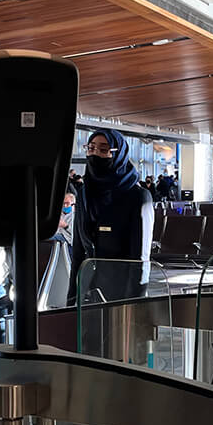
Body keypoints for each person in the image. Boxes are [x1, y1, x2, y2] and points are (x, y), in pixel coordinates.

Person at [67, 128, 154, 304]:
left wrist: (133, 306)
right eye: (91, 148)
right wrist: (71, 298)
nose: (95, 154)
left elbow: (140, 260)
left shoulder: (138, 197)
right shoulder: (85, 193)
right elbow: (78, 252)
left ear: (119, 154)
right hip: (88, 293)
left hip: (120, 294)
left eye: (104, 149)